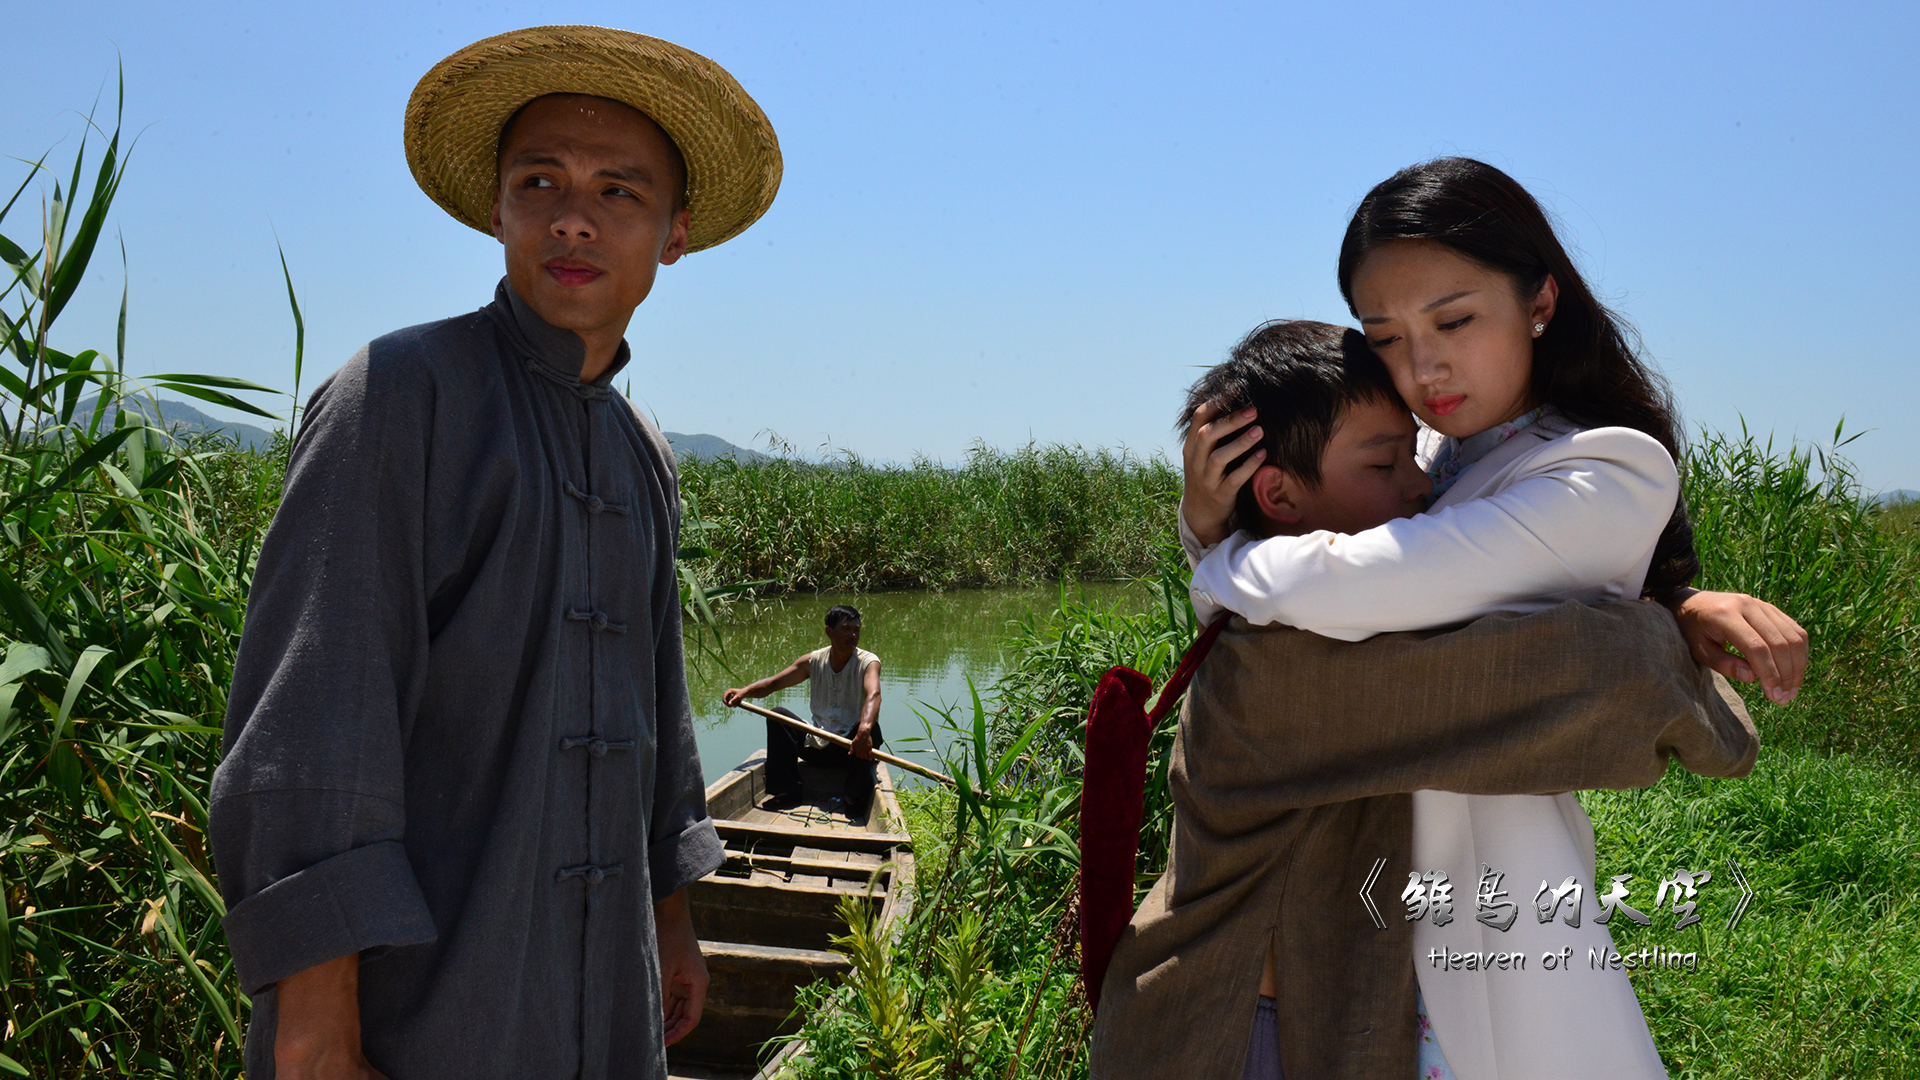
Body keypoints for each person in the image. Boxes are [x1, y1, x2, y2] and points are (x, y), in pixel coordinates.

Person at [209, 27, 782, 1080]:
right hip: (432, 1000)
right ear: (497, 209)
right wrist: (318, 1024)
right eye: (541, 181)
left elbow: (654, 714)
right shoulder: (395, 399)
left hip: (604, 993)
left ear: (674, 234)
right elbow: (315, 731)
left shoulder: (639, 450)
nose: (574, 215)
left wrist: (669, 918)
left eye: (619, 192)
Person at [1174, 159, 1808, 1078]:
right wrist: (1673, 602)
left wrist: (1216, 550)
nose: (1421, 368)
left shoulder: (1608, 469)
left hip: (1481, 899)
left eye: (1455, 320)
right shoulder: (1432, 453)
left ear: (1540, 300)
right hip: (1351, 906)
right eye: (1383, 337)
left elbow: (1377, 583)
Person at [722, 605, 884, 817]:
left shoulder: (868, 662)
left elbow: (874, 694)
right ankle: (787, 791)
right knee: (777, 715)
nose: (853, 635)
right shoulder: (813, 661)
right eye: (846, 629)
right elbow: (773, 684)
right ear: (829, 632)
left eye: (856, 630)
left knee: (872, 729)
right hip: (817, 745)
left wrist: (863, 730)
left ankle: (852, 795)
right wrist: (744, 691)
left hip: (853, 749)